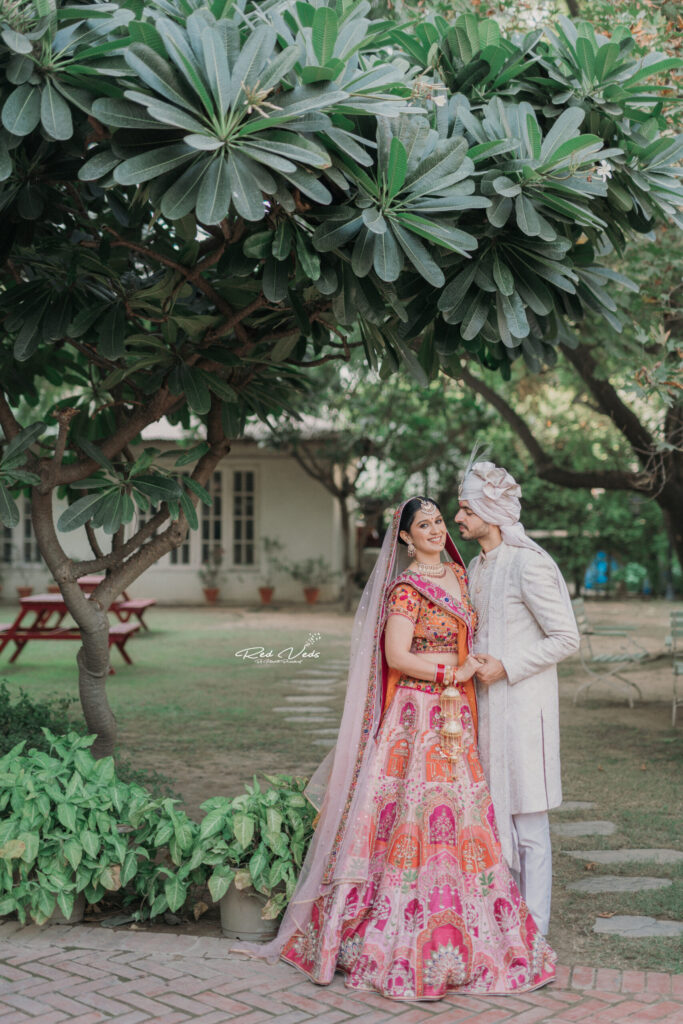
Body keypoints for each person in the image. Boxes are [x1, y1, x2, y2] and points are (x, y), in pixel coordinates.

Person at [235, 496, 556, 1000]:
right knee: (411, 818)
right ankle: (400, 931)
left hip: (455, 716)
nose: (433, 528)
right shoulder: (406, 588)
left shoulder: (459, 572)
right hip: (418, 715)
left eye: (438, 520)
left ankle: (466, 930)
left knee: (462, 819)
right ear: (404, 537)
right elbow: (397, 655)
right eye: (422, 524)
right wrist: (456, 672)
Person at [455, 461, 580, 936]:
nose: (459, 517)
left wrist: (506, 665)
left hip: (525, 714)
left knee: (529, 829)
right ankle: (501, 928)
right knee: (491, 822)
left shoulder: (530, 563)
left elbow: (566, 637)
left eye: (467, 508)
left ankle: (536, 933)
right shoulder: (475, 567)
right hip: (484, 713)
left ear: (492, 510)